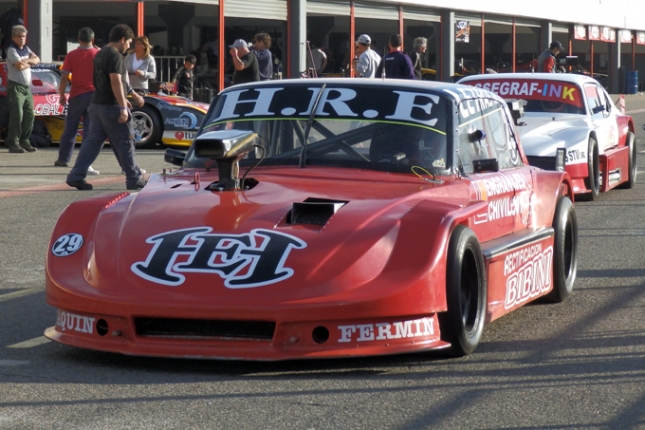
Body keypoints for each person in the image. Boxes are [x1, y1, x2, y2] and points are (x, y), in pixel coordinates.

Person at [65, 24, 146, 191]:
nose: (129, 46)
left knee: (92, 143)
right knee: (125, 141)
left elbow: (106, 81)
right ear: (123, 39)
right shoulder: (115, 56)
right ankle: (134, 178)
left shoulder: (100, 54)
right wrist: (123, 106)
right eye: (129, 42)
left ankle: (76, 175)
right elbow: (115, 80)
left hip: (96, 105)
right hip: (111, 106)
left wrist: (125, 96)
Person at [54, 27, 101, 176]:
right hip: (94, 95)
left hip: (77, 95)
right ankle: (86, 162)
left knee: (70, 128)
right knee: (89, 130)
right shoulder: (98, 54)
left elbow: (64, 77)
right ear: (93, 40)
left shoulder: (72, 55)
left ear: (78, 39)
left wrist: (62, 94)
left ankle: (63, 158)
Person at [5, 25, 39, 153]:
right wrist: (30, 61)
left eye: (23, 36)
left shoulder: (26, 48)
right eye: (19, 36)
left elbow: (38, 60)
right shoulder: (11, 50)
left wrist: (27, 61)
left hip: (27, 87)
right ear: (13, 37)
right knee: (17, 115)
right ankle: (13, 142)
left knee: (29, 114)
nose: (22, 39)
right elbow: (19, 66)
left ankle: (25, 140)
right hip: (15, 86)